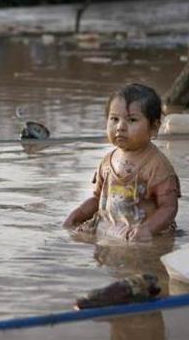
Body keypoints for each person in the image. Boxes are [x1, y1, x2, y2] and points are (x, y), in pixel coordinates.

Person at [63, 83, 180, 241]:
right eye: (114, 119)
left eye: (131, 120)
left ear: (153, 128)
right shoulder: (107, 162)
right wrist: (78, 214)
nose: (120, 127)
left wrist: (147, 229)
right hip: (111, 230)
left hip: (143, 235)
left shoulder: (157, 166)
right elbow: (98, 199)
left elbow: (169, 207)